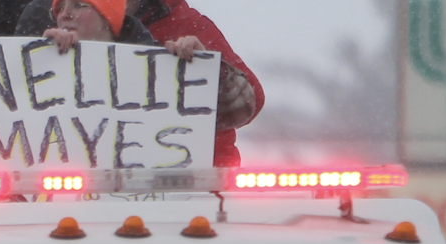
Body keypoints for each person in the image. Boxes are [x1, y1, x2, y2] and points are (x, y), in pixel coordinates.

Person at [13, 0, 262, 166]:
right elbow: (15, 112)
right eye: (62, 9)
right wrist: (44, 58)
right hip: (73, 189)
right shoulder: (44, 20)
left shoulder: (184, 24)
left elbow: (246, 105)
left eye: (80, 5)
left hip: (188, 187)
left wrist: (206, 71)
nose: (67, 14)